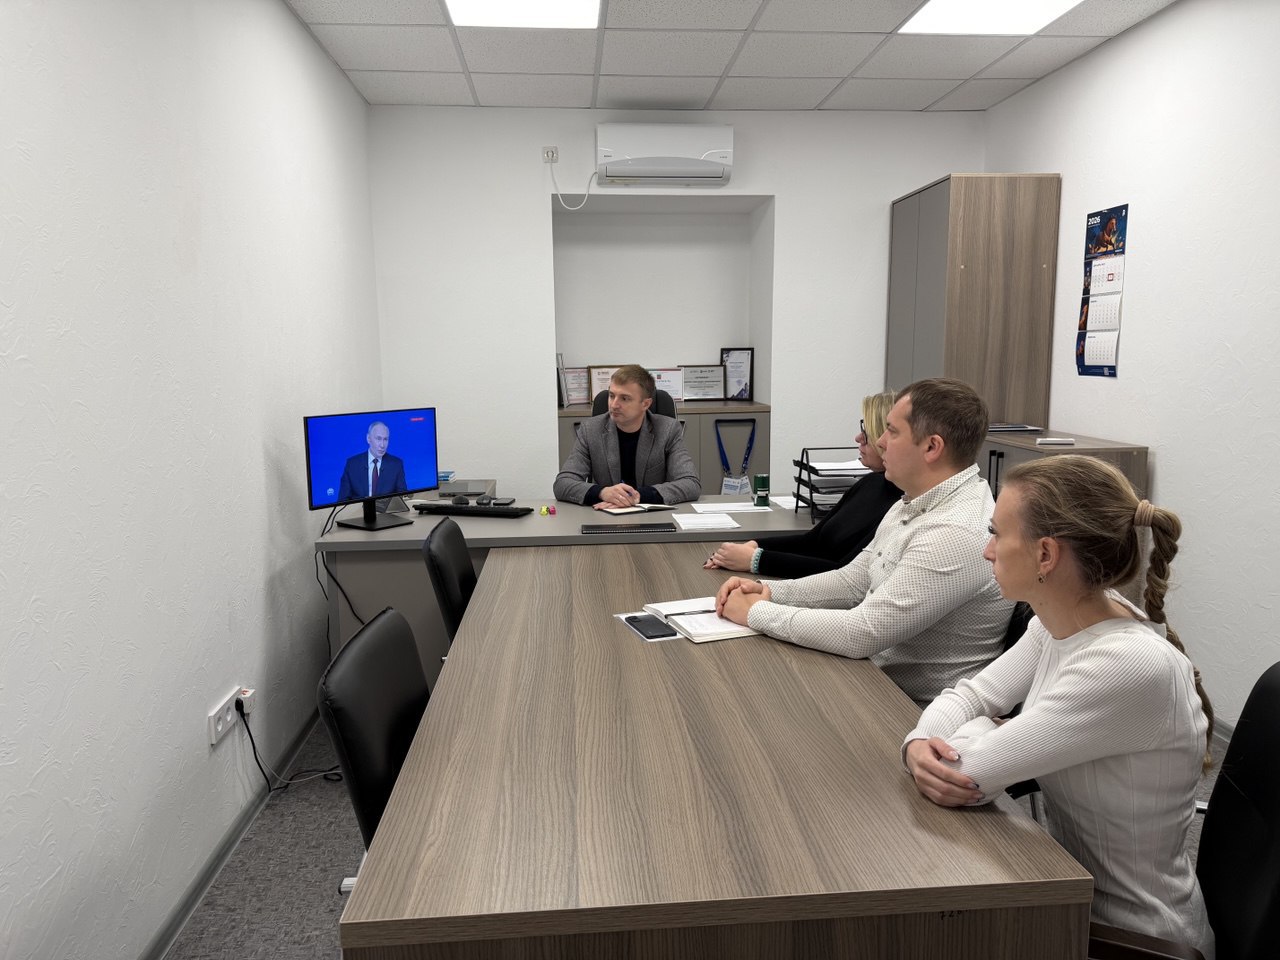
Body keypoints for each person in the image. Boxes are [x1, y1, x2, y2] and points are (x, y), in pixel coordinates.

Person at [902, 455, 1215, 957]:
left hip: (1127, 936)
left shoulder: (1126, 665)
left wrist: (985, 732)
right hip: (1062, 891)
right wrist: (921, 741)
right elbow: (970, 696)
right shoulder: (1056, 624)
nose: (986, 550)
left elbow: (966, 777)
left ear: (1045, 554)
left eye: (996, 534)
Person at [715, 378, 1011, 706]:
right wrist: (770, 592)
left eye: (892, 432)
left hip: (909, 710)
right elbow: (854, 581)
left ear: (931, 447)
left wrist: (757, 612)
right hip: (872, 679)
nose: (880, 442)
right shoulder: (914, 500)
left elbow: (863, 632)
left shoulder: (956, 530)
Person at [704, 391, 901, 577]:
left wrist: (755, 560)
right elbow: (813, 541)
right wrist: (753, 546)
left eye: (867, 431)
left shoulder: (899, 507)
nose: (858, 438)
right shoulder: (870, 483)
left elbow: (844, 575)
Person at [554, 364, 701, 509]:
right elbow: (563, 483)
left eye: (624, 398)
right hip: (605, 515)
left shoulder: (667, 430)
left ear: (645, 404)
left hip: (652, 516)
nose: (614, 405)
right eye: (612, 396)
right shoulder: (590, 430)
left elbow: (691, 483)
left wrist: (637, 496)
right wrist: (603, 492)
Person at [337, 420, 407, 501]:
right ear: (368, 439)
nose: (382, 445)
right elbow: (342, 500)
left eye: (385, 439)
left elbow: (403, 497)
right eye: (378, 439)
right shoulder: (352, 464)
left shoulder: (396, 464)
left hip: (386, 508)